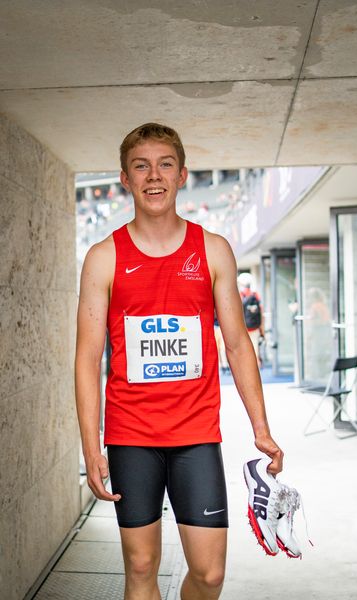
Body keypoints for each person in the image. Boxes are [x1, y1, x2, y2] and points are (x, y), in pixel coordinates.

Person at [75, 122, 283, 600]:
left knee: (209, 575)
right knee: (142, 566)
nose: (154, 176)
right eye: (141, 166)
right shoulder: (103, 258)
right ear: (124, 179)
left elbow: (236, 343)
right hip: (131, 436)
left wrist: (262, 427)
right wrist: (91, 447)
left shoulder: (212, 250)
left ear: (182, 174)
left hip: (196, 434)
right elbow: (87, 359)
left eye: (165, 164)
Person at [237, 272, 265, 368]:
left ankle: (246, 366)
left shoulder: (240, 295)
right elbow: (261, 311)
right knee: (255, 348)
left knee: (244, 348)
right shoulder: (255, 295)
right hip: (255, 326)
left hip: (244, 328)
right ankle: (257, 364)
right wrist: (262, 329)